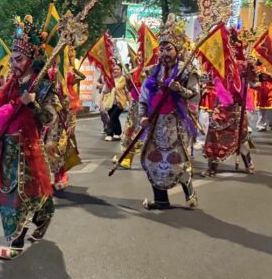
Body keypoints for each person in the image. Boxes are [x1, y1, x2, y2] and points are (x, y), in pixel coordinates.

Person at [0, 18, 58, 260]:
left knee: (29, 193)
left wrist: (32, 103)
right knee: (8, 195)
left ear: (31, 60)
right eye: (12, 59)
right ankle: (21, 232)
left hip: (29, 148)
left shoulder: (42, 85)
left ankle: (19, 240)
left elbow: (49, 118)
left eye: (19, 59)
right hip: (6, 149)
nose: (14, 64)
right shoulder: (9, 85)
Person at [138, 16, 200, 210]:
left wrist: (179, 89)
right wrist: (142, 116)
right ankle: (161, 200)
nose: (164, 53)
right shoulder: (152, 72)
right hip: (156, 124)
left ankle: (190, 194)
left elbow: (195, 96)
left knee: (177, 159)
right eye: (162, 49)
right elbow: (143, 97)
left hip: (177, 123)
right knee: (153, 160)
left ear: (177, 50)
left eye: (169, 48)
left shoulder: (186, 70)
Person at [202, 34, 257, 176]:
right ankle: (212, 166)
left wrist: (250, 71)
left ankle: (248, 162)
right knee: (213, 134)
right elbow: (205, 79)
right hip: (219, 106)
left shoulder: (242, 65)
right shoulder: (216, 65)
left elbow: (254, 83)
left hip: (236, 107)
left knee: (241, 137)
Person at [102, 64, 128, 141]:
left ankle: (109, 134)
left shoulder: (122, 79)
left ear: (121, 71)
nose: (115, 71)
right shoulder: (109, 79)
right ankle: (118, 133)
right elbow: (105, 90)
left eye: (118, 69)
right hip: (110, 102)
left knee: (113, 117)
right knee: (114, 118)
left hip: (119, 102)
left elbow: (117, 87)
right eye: (114, 69)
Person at [254, 61, 272, 131]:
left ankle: (271, 122)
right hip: (260, 87)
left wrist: (262, 71)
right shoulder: (257, 66)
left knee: (270, 108)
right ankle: (261, 126)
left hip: (270, 87)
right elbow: (254, 76)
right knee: (261, 107)